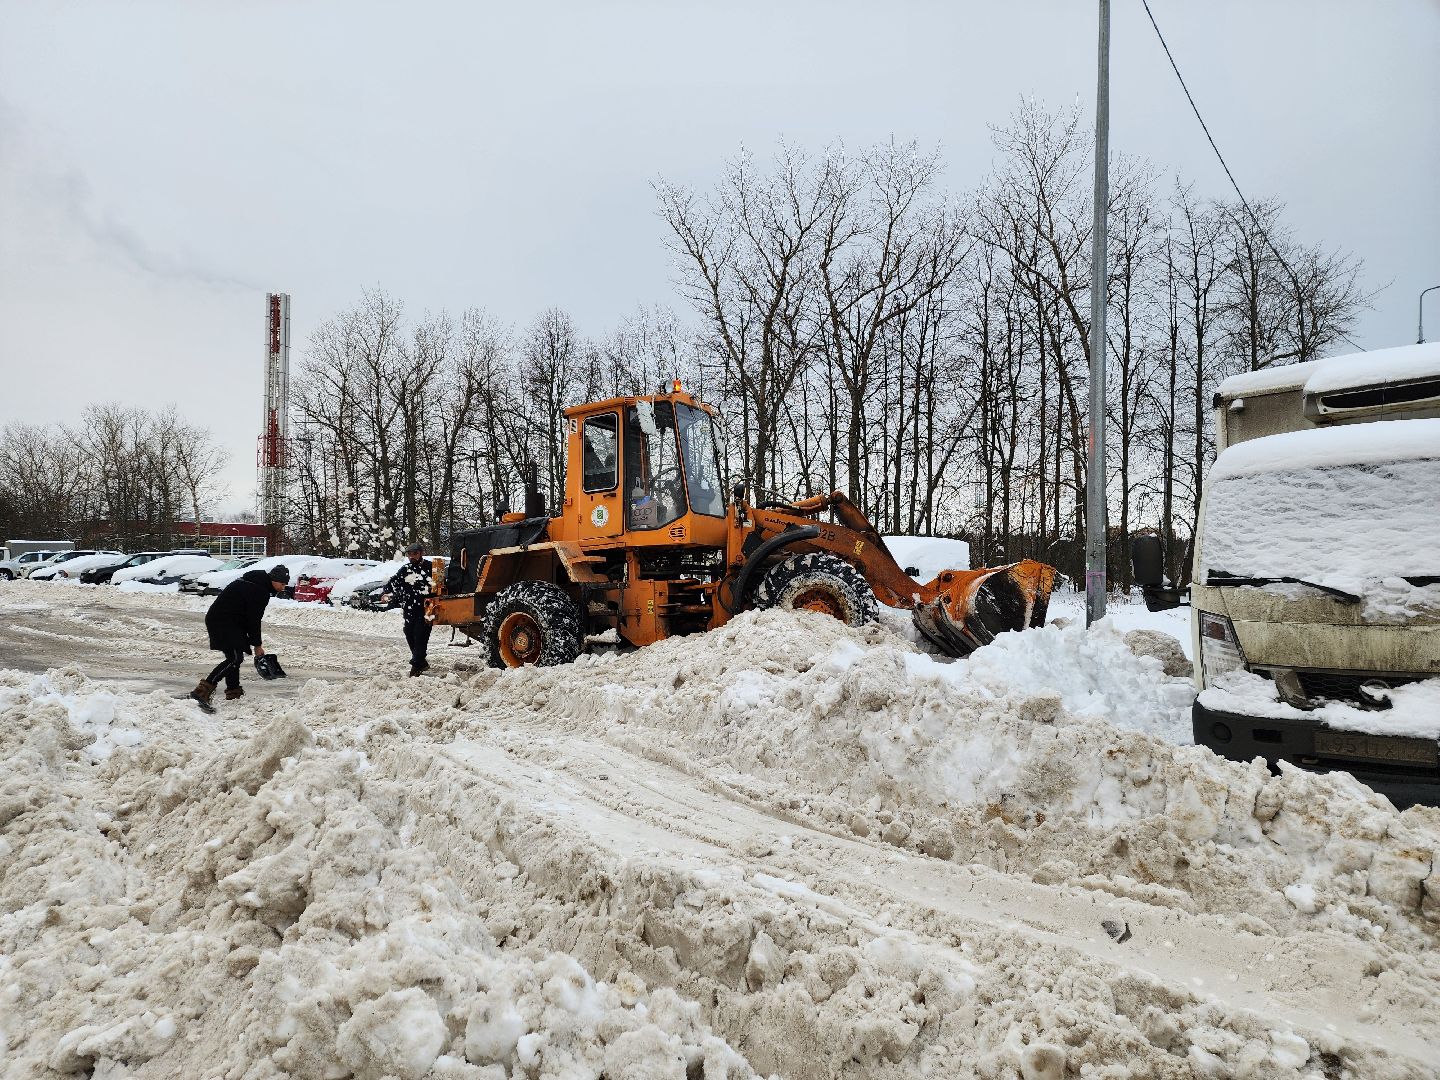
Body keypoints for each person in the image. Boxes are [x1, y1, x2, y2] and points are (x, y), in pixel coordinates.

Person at [187, 564, 289, 708]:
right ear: (273, 579)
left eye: (285, 584)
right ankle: (201, 692)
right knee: (235, 658)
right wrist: (257, 645)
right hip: (223, 621)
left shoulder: (254, 582)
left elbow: (248, 615)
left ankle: (233, 694)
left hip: (227, 620)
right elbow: (253, 620)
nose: (283, 588)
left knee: (234, 657)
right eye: (282, 583)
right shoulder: (260, 590)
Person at [387, 542, 434, 676]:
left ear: (421, 553)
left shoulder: (430, 567)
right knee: (409, 633)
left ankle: (416, 666)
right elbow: (394, 582)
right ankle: (421, 662)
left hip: (427, 608)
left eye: (415, 554)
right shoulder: (405, 569)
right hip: (409, 607)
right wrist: (385, 591)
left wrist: (429, 590)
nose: (412, 557)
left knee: (421, 635)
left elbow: (439, 585)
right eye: (409, 554)